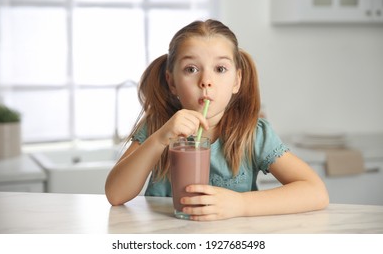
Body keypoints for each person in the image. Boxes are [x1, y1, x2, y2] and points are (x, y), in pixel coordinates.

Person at [105, 19, 329, 221]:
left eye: (220, 69)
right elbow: (116, 194)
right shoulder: (159, 126)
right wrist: (159, 140)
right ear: (171, 82)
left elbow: (316, 192)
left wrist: (241, 204)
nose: (206, 81)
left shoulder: (252, 133)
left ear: (237, 81)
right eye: (191, 69)